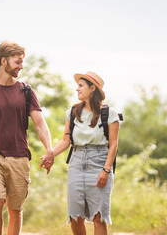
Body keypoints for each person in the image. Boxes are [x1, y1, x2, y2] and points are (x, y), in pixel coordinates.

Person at [0, 40, 54, 235]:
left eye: (22, 62)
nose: (21, 67)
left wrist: (49, 149)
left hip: (20, 157)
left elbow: (40, 124)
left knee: (15, 210)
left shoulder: (26, 91)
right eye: (18, 62)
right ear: (4, 61)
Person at [51, 71, 119, 235]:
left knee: (99, 216)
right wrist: (50, 155)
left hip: (100, 163)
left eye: (81, 86)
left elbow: (114, 144)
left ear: (92, 88)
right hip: (77, 163)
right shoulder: (73, 112)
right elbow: (66, 140)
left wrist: (106, 169)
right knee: (75, 216)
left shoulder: (109, 114)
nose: (77, 89)